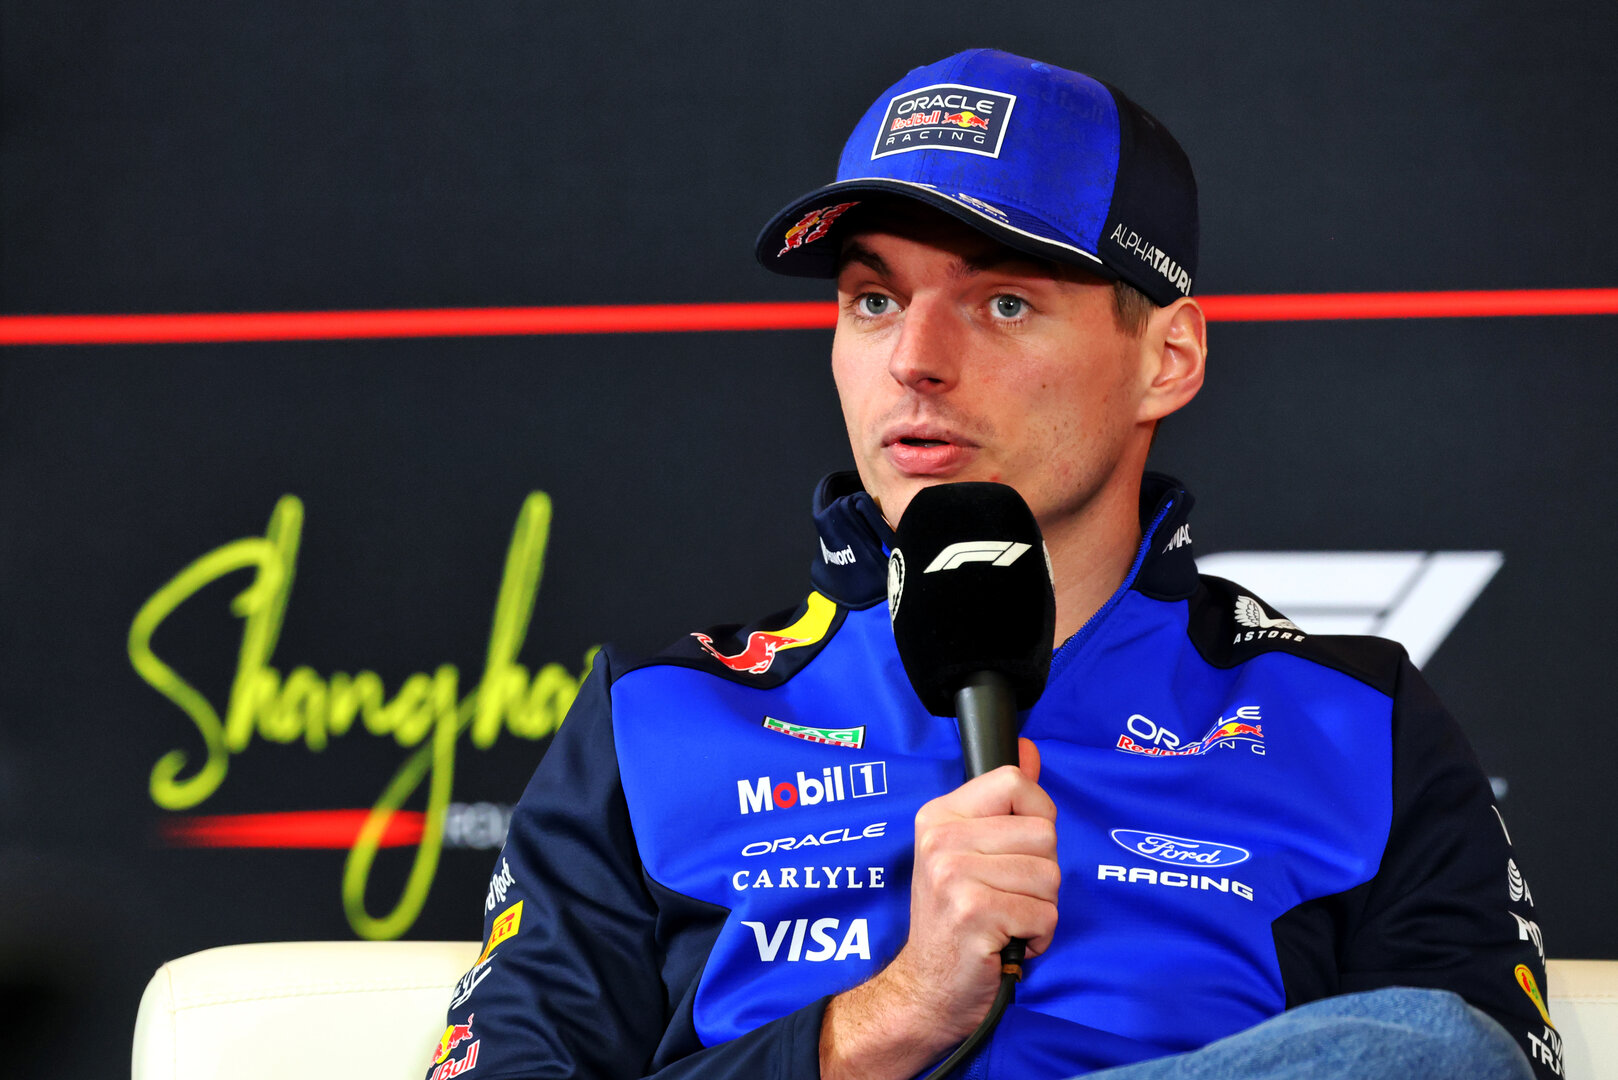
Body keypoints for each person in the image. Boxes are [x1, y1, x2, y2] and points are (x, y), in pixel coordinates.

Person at [424, 50, 1556, 1080]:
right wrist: (893, 1017)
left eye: (1003, 302)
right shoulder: (655, 720)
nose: (914, 360)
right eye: (874, 301)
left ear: (1167, 357)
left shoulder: (1353, 722)